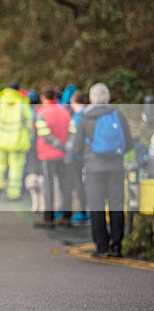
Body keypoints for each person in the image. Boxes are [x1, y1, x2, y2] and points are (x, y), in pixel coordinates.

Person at [70, 83, 133, 257]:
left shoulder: (85, 117)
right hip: (116, 168)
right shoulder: (118, 115)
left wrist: (86, 157)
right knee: (116, 206)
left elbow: (76, 147)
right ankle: (117, 246)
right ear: (108, 98)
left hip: (94, 169)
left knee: (96, 206)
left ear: (91, 99)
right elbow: (128, 143)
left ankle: (101, 246)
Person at [33, 87, 73, 228]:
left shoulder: (41, 112)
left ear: (43, 97)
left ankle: (49, 218)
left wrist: (58, 145)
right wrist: (65, 147)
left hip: (48, 154)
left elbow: (44, 134)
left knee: (49, 187)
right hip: (64, 155)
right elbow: (72, 131)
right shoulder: (65, 111)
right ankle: (66, 216)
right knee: (65, 185)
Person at [0, 81, 33, 200]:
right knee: (16, 168)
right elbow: (29, 123)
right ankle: (13, 192)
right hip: (17, 141)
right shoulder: (23, 102)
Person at [68, 90, 90, 225]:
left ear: (73, 102)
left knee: (78, 184)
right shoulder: (90, 114)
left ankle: (82, 212)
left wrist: (71, 153)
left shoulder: (76, 117)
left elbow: (73, 138)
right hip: (92, 156)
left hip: (78, 156)